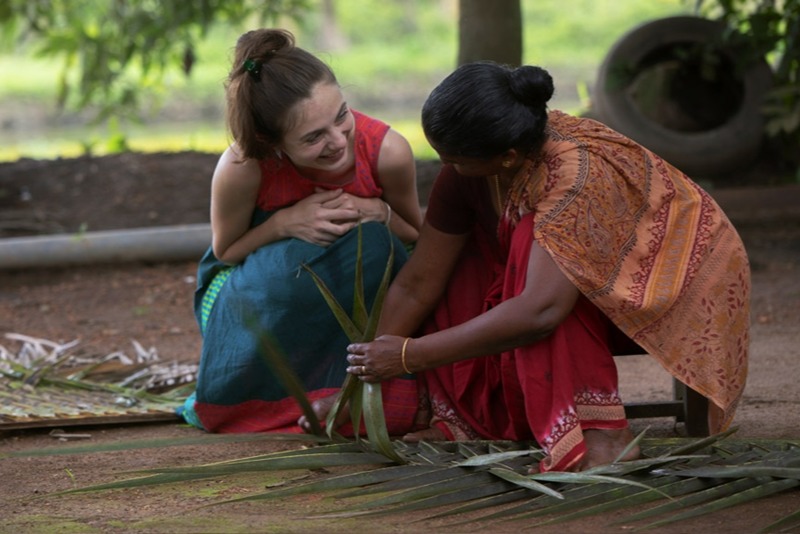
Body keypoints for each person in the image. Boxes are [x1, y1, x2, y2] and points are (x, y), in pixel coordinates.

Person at [343, 61, 750, 472]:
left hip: (668, 288)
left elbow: (540, 312)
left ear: (508, 157)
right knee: (465, 265)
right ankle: (466, 418)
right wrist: (372, 363)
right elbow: (420, 280)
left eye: (456, 159)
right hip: (572, 283)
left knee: (536, 256)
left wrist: (410, 355)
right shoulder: (476, 168)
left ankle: (604, 434)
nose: (447, 167)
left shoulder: (574, 180)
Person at [179, 28, 424, 435]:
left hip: (361, 300)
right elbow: (226, 252)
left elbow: (415, 235)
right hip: (260, 297)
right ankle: (249, 395)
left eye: (342, 115)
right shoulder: (244, 166)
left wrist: (378, 211)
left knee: (374, 244)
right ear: (270, 141)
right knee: (333, 258)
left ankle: (351, 394)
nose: (338, 140)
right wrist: (282, 224)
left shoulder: (387, 151)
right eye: (313, 138)